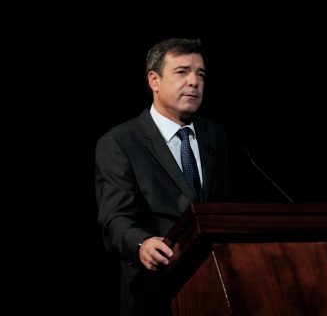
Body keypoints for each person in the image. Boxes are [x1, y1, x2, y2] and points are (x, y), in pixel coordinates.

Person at [95, 38, 231, 315]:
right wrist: (141, 244)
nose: (194, 81)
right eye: (182, 72)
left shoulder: (215, 134)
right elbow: (115, 219)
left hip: (215, 285)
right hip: (156, 288)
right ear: (154, 80)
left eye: (200, 74)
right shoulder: (120, 141)